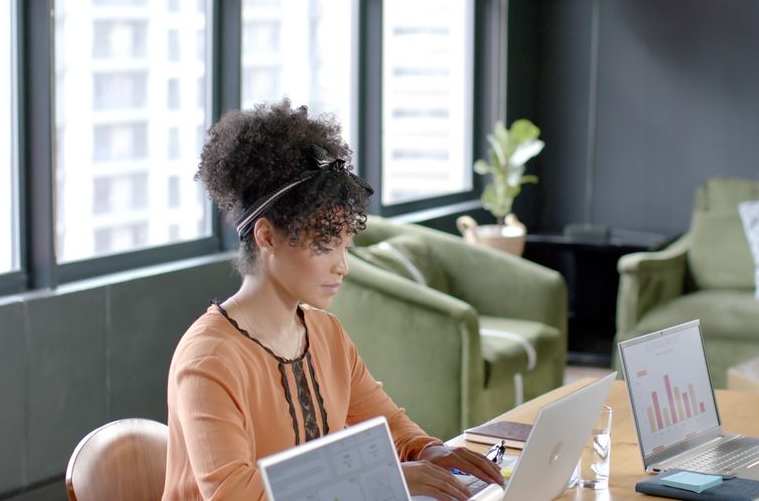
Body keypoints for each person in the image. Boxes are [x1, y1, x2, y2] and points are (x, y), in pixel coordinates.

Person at [163, 100, 504, 500]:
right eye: (325, 245)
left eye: (345, 246)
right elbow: (235, 495)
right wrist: (391, 477)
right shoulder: (209, 360)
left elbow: (389, 425)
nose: (343, 266)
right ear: (267, 236)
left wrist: (433, 452)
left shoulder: (325, 334)